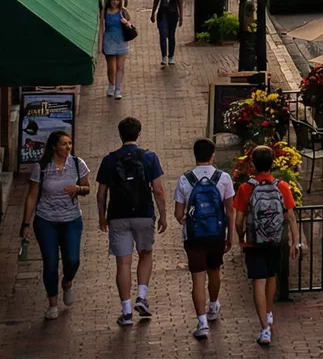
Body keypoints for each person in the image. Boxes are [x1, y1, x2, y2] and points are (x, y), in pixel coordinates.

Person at [98, 116, 167, 326]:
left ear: (120, 135)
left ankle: (126, 311)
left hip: (118, 215)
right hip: (143, 214)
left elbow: (101, 194)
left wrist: (102, 216)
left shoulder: (109, 160)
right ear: (139, 133)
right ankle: (142, 296)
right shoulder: (149, 157)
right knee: (145, 254)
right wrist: (163, 215)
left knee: (123, 263)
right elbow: (158, 190)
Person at [232, 145, 295, 347]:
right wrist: (294, 241)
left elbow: (238, 219)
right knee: (271, 277)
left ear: (252, 164)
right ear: (273, 163)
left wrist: (241, 236)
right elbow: (291, 217)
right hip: (276, 240)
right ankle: (269, 312)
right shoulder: (282, 186)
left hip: (254, 241)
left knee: (257, 282)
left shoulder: (245, 188)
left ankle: (264, 328)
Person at [23, 130, 88, 321]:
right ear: (54, 146)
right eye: (64, 144)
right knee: (50, 262)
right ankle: (52, 303)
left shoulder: (77, 164)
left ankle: (67, 281)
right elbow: (32, 196)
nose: (68, 147)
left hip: (71, 219)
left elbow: (87, 188)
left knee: (73, 259)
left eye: (70, 143)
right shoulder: (41, 167)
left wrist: (78, 189)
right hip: (46, 220)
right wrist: (25, 224)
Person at [174, 138, 233, 340]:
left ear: (195, 155)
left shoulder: (185, 180)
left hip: (194, 236)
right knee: (214, 270)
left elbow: (178, 213)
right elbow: (229, 210)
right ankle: (214, 305)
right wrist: (230, 234)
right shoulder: (223, 178)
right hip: (216, 234)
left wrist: (187, 219)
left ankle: (202, 323)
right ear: (212, 154)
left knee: (197, 278)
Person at [102, 0, 133, 98]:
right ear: (109, 0)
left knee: (120, 67)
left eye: (117, 0)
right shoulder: (105, 12)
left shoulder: (122, 12)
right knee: (111, 67)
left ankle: (118, 89)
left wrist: (127, 23)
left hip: (121, 40)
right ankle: (111, 84)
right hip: (109, 40)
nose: (115, 2)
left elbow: (129, 23)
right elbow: (102, 26)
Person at [150, 0, 185, 67]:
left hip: (173, 14)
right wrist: (153, 13)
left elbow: (180, 4)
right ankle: (164, 56)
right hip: (162, 15)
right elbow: (156, 2)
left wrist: (181, 17)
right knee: (162, 35)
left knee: (171, 36)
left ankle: (171, 56)